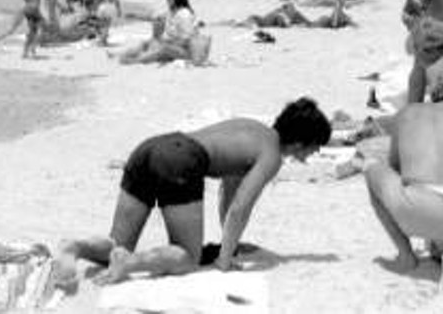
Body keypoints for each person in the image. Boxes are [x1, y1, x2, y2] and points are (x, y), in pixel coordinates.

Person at [53, 98, 331, 289]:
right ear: (299, 141)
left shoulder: (253, 130)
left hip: (150, 148)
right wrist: (223, 261)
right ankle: (131, 262)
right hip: (181, 160)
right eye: (315, 146)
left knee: (116, 244)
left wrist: (229, 245)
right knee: (188, 257)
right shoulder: (271, 155)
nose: (315, 153)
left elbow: (229, 195)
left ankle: (74, 247)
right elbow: (240, 209)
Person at [363, 74, 443, 294]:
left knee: (370, 169)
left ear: (435, 95)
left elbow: (396, 166)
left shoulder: (409, 112)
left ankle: (407, 256)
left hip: (419, 206)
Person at [116, 0, 197, 65]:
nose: (167, 1)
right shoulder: (172, 11)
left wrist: (169, 42)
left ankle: (136, 61)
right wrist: (135, 16)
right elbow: (154, 18)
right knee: (147, 42)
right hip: (173, 46)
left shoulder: (184, 14)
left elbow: (187, 40)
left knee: (164, 48)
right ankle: (124, 55)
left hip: (185, 51)